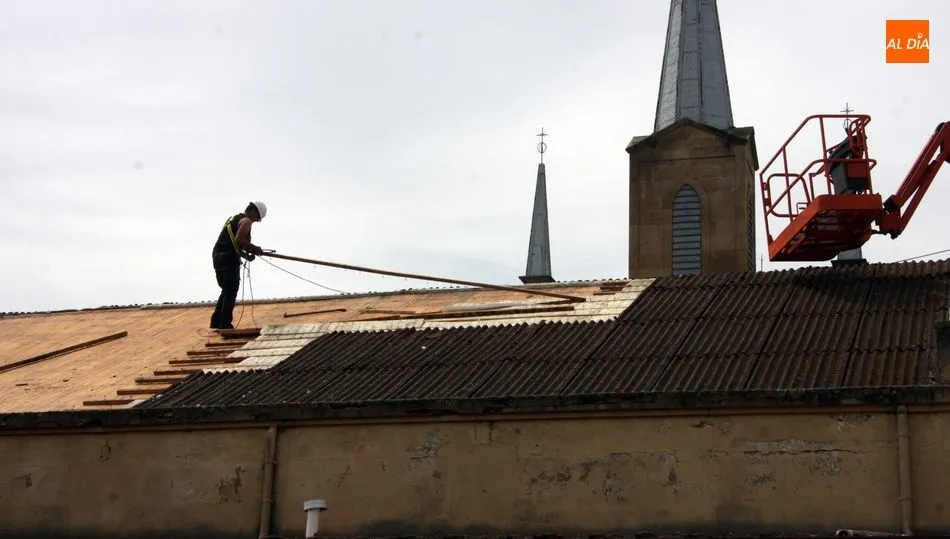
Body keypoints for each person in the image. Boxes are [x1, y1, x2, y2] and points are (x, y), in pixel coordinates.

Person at [210, 201, 267, 330]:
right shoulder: (246, 221)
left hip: (218, 256)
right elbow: (239, 239)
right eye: (257, 218)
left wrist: (246, 256)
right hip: (228, 259)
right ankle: (225, 324)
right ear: (253, 211)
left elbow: (232, 243)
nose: (256, 221)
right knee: (231, 288)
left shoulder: (234, 218)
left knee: (227, 288)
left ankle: (216, 321)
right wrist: (254, 248)